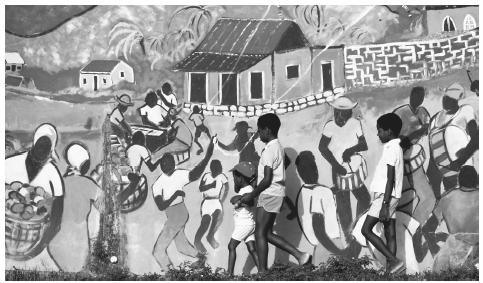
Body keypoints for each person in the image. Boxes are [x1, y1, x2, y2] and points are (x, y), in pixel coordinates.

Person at [239, 113, 311, 273]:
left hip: (269, 193)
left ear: (267, 130)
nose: (258, 134)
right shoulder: (277, 148)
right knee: (266, 232)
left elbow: (267, 179)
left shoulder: (271, 150)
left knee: (260, 233)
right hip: (273, 193)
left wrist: (252, 194)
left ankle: (263, 271)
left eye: (260, 130)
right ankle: (300, 256)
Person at [151, 137, 215, 271]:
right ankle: (201, 258)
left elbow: (196, 173)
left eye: (169, 163)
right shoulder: (158, 184)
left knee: (158, 251)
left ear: (173, 164)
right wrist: (175, 194)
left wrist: (208, 154)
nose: (166, 165)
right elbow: (160, 206)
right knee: (181, 246)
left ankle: (171, 275)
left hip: (178, 214)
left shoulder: (179, 174)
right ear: (162, 166)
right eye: (164, 163)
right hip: (175, 214)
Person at [5, 123, 64, 261]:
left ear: (51, 149)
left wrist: (42, 244)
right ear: (34, 143)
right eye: (40, 144)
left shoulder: (53, 174)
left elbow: (57, 212)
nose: (42, 149)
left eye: (47, 146)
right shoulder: (10, 163)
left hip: (33, 243)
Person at [318, 96, 370, 241]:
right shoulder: (329, 126)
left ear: (349, 113)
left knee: (365, 199)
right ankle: (349, 238)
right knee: (343, 205)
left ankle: (357, 228)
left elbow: (363, 144)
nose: (339, 115)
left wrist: (350, 150)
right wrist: (336, 165)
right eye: (337, 112)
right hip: (338, 169)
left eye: (343, 112)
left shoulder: (355, 123)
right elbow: (322, 148)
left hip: (353, 167)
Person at [49, 142, 104, 272]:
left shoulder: (60, 182)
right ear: (85, 164)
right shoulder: (88, 184)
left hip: (55, 241)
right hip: (77, 245)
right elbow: (105, 207)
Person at [361, 113, 405, 274]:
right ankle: (390, 272)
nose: (378, 134)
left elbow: (390, 178)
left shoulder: (390, 148)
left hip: (385, 197)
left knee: (366, 230)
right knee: (390, 233)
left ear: (389, 131)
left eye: (380, 130)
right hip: (394, 196)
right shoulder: (397, 147)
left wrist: (385, 205)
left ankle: (394, 261)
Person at [392, 87, 436, 227]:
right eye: (417, 96)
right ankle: (407, 228)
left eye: (422, 97)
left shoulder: (423, 112)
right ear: (411, 96)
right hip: (400, 160)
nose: (419, 99)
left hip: (414, 159)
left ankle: (413, 227)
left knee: (428, 199)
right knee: (405, 201)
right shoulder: (400, 112)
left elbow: (428, 128)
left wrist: (423, 130)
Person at [424, 166, 479, 271]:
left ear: (459, 180)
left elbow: (431, 225)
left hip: (454, 251)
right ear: (476, 179)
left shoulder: (446, 198)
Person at [428, 82, 478, 191]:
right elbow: (431, 147)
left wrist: (461, 158)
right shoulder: (435, 119)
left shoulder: (465, 111)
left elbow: (476, 138)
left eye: (450, 98)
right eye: (445, 97)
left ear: (456, 100)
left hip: (464, 170)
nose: (445, 100)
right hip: (445, 171)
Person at [227, 161, 259, 275]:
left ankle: (229, 275)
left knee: (231, 246)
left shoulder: (248, 190)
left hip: (244, 225)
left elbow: (250, 201)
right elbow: (238, 199)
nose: (234, 180)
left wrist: (239, 199)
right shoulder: (245, 189)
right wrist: (238, 198)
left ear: (240, 177)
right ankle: (263, 272)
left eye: (235, 177)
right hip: (248, 224)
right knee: (252, 248)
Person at [194, 160, 229, 254]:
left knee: (217, 214)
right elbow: (201, 188)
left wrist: (223, 199)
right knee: (205, 221)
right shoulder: (206, 175)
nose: (220, 168)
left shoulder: (222, 176)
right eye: (218, 167)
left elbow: (227, 188)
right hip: (207, 201)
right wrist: (211, 185)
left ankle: (210, 236)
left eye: (220, 166)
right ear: (212, 168)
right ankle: (197, 240)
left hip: (216, 200)